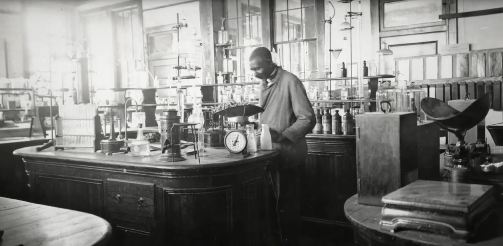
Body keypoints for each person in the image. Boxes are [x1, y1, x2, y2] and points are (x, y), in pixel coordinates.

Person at [249, 47, 315, 245]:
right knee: (274, 206)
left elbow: (308, 118)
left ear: (270, 62)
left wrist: (285, 135)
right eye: (252, 69)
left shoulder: (290, 81)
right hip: (270, 155)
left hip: (288, 155)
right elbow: (270, 116)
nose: (255, 73)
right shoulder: (266, 82)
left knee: (286, 206)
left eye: (258, 68)